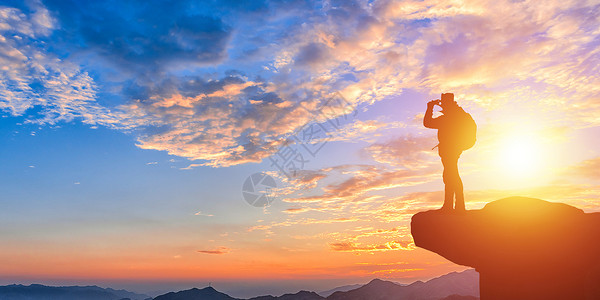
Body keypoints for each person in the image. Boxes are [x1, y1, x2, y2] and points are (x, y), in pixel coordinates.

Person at [423, 93, 474, 211]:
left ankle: (455, 206)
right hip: (453, 149)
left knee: (451, 175)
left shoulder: (449, 117)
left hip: (450, 149)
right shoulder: (457, 114)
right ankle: (452, 205)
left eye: (443, 103)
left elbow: (427, 123)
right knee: (450, 175)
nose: (442, 106)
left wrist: (430, 107)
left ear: (447, 104)